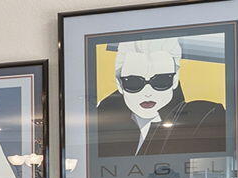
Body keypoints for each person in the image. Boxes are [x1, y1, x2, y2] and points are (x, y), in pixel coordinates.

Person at [88, 37, 230, 159]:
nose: (148, 93)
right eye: (134, 82)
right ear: (119, 84)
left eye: (160, 81)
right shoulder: (99, 124)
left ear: (175, 80)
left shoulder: (204, 116)